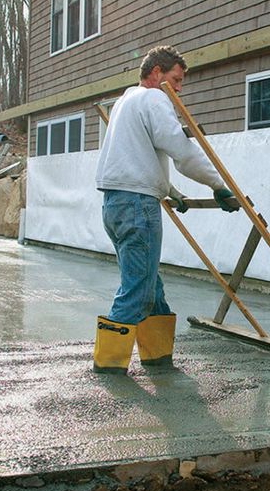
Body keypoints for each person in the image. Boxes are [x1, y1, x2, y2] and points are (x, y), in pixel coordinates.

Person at [93, 45, 238, 373]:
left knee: (149, 285)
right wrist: (218, 185)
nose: (179, 88)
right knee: (137, 289)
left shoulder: (124, 101)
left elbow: (135, 159)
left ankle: (158, 358)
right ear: (157, 73)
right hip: (137, 206)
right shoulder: (155, 98)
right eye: (176, 79)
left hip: (115, 204)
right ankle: (107, 367)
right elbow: (182, 153)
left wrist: (172, 191)